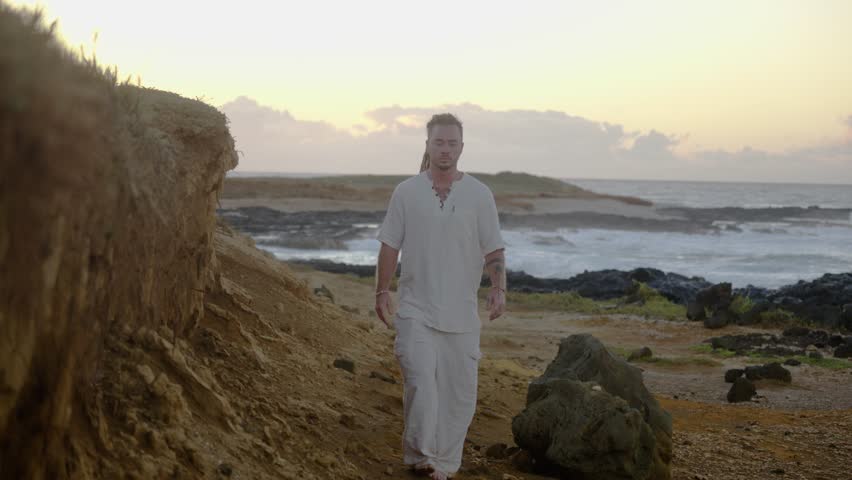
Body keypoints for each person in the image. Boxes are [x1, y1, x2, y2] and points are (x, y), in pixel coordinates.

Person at [374, 113, 507, 479]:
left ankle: (443, 467)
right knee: (420, 381)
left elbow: (494, 251)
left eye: (452, 143)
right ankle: (420, 458)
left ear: (461, 148)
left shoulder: (480, 195)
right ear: (428, 145)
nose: (445, 149)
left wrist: (498, 290)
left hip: (462, 316)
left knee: (458, 397)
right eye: (438, 142)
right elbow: (389, 245)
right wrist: (382, 291)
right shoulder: (407, 191)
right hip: (416, 309)